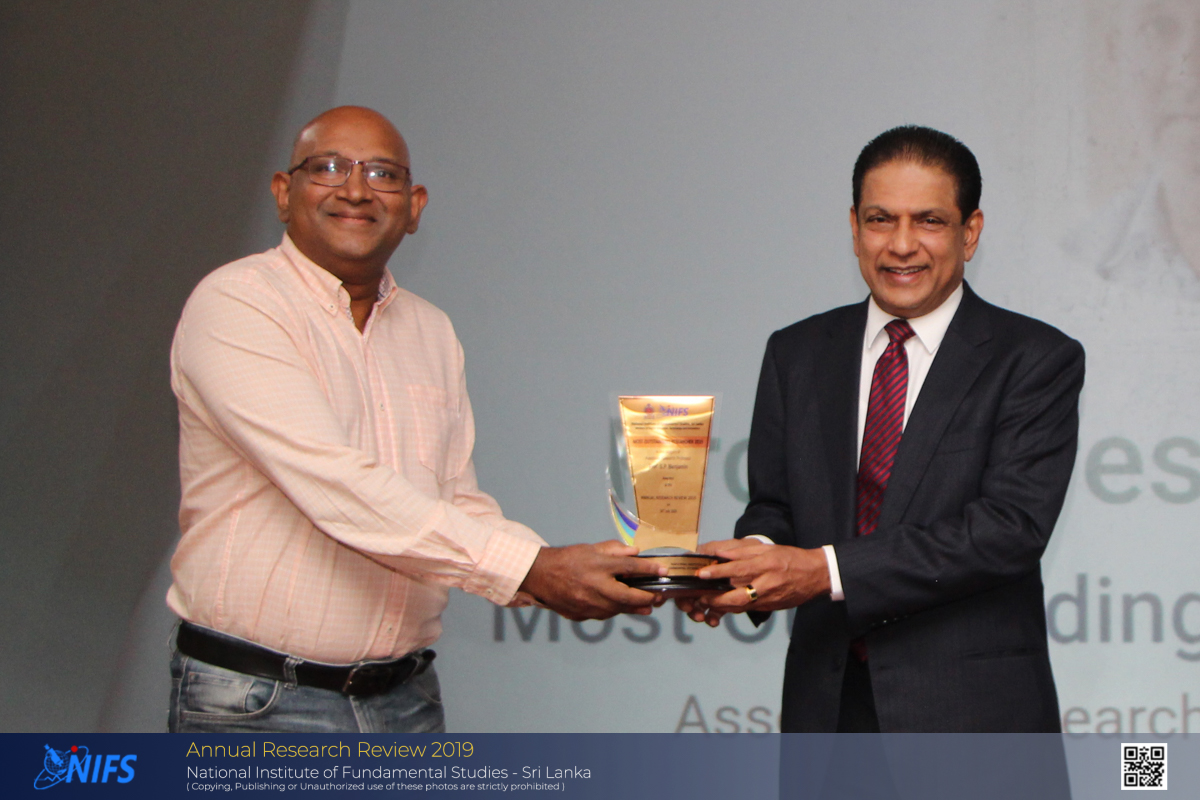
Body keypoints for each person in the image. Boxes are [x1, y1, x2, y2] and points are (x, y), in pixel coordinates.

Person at [166, 106, 661, 733]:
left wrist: (571, 575)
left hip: (405, 699)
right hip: (260, 701)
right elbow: (335, 486)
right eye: (329, 167)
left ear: (415, 206)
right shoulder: (238, 303)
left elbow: (456, 501)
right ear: (284, 193)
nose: (355, 190)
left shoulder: (431, 330)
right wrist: (535, 568)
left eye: (382, 174)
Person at [684, 126, 1085, 733]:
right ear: (854, 228)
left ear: (970, 232)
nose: (901, 245)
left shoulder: (1033, 358)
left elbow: (1008, 530)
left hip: (973, 718)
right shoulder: (797, 353)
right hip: (826, 713)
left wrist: (821, 571)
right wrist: (750, 566)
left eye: (929, 221)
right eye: (880, 220)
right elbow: (774, 505)